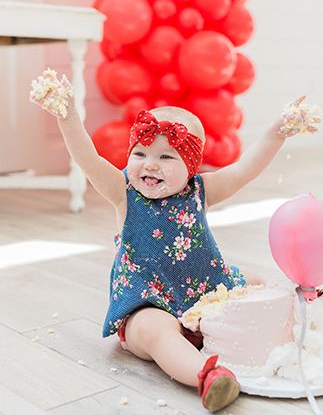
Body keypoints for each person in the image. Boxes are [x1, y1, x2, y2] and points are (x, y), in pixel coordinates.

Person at [30, 76, 319, 412]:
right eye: (139, 153)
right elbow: (88, 158)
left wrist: (276, 132)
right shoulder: (122, 192)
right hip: (147, 301)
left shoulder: (201, 190)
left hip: (207, 292)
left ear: (191, 166)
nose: (149, 164)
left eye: (166, 157)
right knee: (155, 332)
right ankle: (209, 376)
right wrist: (66, 117)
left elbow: (245, 168)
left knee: (256, 283)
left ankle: (305, 327)